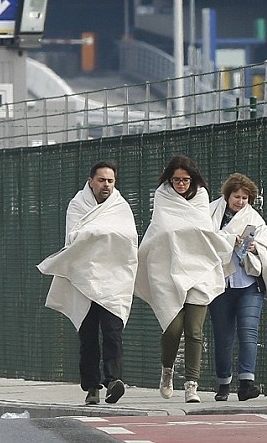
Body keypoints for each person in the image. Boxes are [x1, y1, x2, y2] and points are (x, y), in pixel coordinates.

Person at [135, 155, 234, 403]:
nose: (181, 184)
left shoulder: (201, 197)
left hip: (199, 270)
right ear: (170, 180)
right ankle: (167, 370)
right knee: (172, 329)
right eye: (176, 180)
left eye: (185, 180)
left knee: (194, 331)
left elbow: (201, 231)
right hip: (168, 271)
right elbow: (163, 229)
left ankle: (192, 385)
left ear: (193, 180)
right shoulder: (162, 196)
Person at [37, 161, 138, 406]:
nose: (106, 185)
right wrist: (102, 234)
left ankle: (114, 381)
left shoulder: (120, 207)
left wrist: (97, 234)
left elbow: (129, 238)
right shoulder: (77, 205)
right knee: (88, 336)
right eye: (102, 180)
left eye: (111, 181)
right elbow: (75, 237)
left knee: (113, 332)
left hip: (113, 280)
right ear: (91, 180)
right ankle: (92, 386)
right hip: (83, 279)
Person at [208, 173, 267, 401]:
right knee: (222, 336)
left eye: (245, 197)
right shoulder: (211, 213)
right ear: (227, 195)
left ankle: (246, 384)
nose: (240, 201)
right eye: (236, 196)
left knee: (248, 332)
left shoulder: (255, 220)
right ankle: (223, 384)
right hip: (220, 284)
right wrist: (229, 240)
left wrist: (253, 248)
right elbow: (205, 240)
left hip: (249, 283)